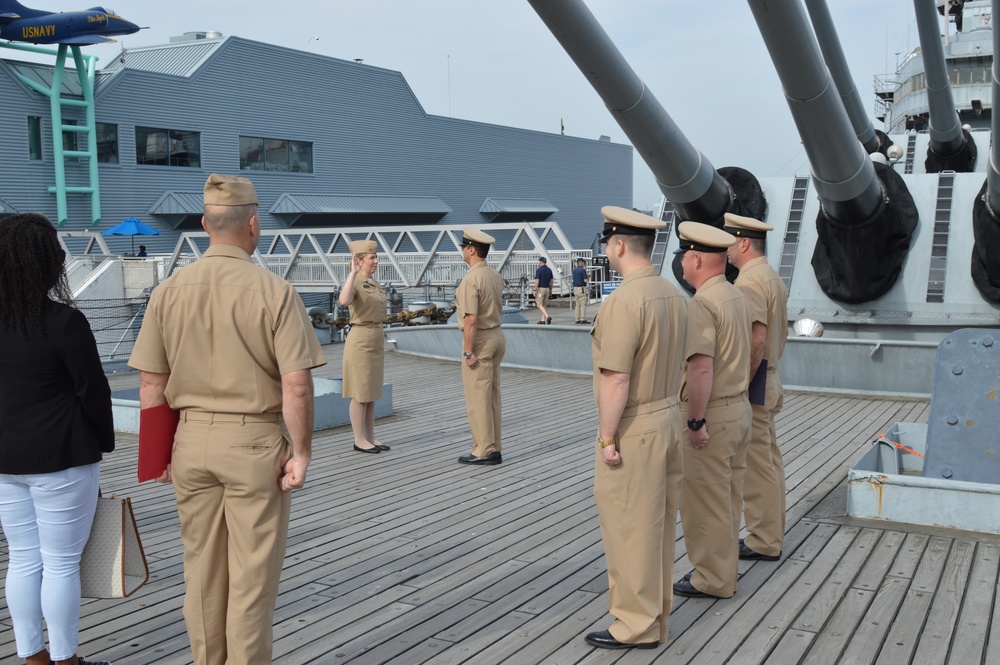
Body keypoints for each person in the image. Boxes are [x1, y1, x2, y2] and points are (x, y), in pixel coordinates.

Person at [128, 174, 326, 665]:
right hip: (253, 445)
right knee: (251, 580)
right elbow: (297, 386)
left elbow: (151, 387)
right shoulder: (275, 291)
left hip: (190, 443)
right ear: (253, 224)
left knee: (201, 574)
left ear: (204, 223)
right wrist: (301, 453)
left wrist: (158, 456)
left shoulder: (168, 291)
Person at [0, 213, 115, 665]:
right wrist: (103, 444)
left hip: (5, 461)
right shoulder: (64, 322)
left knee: (23, 560)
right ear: (44, 262)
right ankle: (66, 660)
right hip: (63, 458)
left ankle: (33, 658)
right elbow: (94, 392)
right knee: (61, 563)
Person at [585, 207, 687, 651]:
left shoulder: (625, 300)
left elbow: (616, 377)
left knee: (629, 527)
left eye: (609, 243)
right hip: (669, 417)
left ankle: (635, 625)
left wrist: (608, 438)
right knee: (657, 527)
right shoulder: (672, 293)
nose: (608, 250)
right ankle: (654, 616)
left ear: (619, 245)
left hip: (636, 424)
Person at [672, 221, 753, 600]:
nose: (683, 266)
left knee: (705, 501)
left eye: (685, 258)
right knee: (729, 497)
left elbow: (700, 367)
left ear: (697, 259)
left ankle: (712, 579)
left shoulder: (702, 303)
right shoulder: (737, 296)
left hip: (714, 416)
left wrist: (695, 420)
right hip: (739, 409)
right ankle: (725, 569)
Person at [724, 213, 788, 562]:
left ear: (743, 243)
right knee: (770, 461)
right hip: (770, 377)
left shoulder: (748, 282)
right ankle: (772, 531)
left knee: (756, 464)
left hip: (756, 383)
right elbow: (783, 336)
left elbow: (757, 338)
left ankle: (763, 540)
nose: (727, 249)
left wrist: (742, 384)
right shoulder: (772, 277)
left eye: (729, 242)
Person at [455, 227, 506, 465]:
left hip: (481, 340)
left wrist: (468, 351)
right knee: (492, 395)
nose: (463, 251)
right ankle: (494, 446)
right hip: (497, 335)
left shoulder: (471, 280)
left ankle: (483, 449)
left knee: (478, 398)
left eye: (464, 247)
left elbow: (471, 319)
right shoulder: (494, 276)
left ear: (471, 250)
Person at [340, 239, 388, 454]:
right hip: (360, 338)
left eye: (376, 257)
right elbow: (344, 300)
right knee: (360, 391)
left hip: (375, 336)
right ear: (359, 260)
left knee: (371, 390)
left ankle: (370, 436)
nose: (376, 261)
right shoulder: (356, 281)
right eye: (372, 257)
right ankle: (359, 439)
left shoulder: (372, 283)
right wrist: (352, 272)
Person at [533, 256, 554, 324]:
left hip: (541, 289)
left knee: (539, 304)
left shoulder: (539, 270)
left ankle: (547, 316)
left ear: (541, 262)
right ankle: (542, 319)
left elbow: (537, 280)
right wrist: (551, 289)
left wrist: (535, 289)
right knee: (544, 304)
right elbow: (551, 281)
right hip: (547, 288)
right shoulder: (549, 270)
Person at [572, 257, 590, 324]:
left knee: (577, 304)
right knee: (583, 303)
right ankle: (583, 319)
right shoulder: (582, 270)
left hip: (575, 288)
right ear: (581, 263)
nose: (584, 264)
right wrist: (588, 277)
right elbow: (585, 280)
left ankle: (577, 319)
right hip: (581, 288)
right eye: (584, 262)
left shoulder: (574, 270)